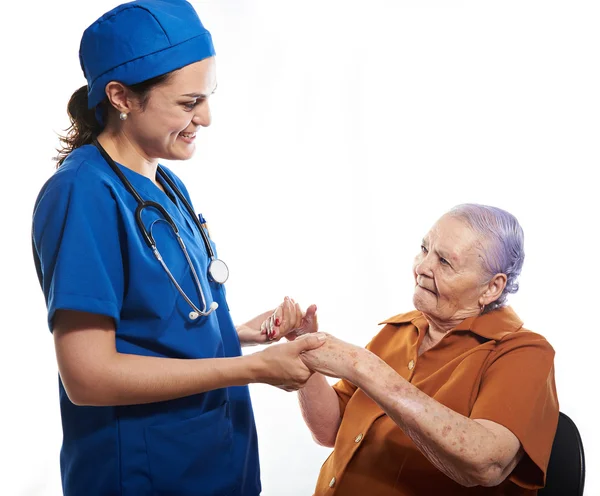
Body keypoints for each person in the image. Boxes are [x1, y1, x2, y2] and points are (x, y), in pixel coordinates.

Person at [31, 1, 324, 495]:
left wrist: (240, 335)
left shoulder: (164, 183)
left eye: (208, 97)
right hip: (146, 475)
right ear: (121, 97)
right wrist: (250, 368)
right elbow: (88, 375)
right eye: (189, 103)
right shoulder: (83, 193)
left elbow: (153, 328)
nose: (206, 118)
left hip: (215, 462)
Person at [272, 204, 559, 495]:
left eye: (445, 262)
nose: (421, 267)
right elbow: (329, 429)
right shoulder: (399, 331)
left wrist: (363, 366)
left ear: (491, 288)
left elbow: (487, 463)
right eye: (424, 249)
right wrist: (303, 343)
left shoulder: (524, 353)